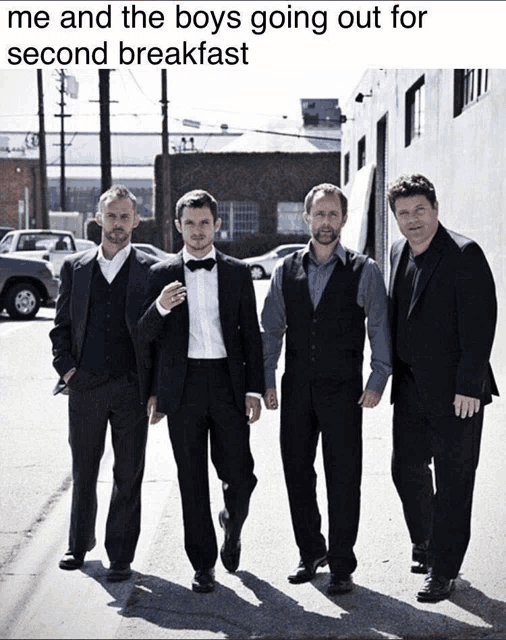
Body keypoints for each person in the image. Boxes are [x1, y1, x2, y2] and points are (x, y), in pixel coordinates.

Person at [261, 183, 391, 595]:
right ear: (307, 218)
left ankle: (341, 563)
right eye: (319, 215)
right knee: (297, 474)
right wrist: (266, 379)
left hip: (344, 391)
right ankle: (310, 550)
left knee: (343, 476)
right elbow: (272, 330)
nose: (326, 223)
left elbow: (379, 327)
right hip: (297, 388)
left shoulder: (363, 269)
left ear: (344, 220)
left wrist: (377, 378)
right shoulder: (286, 270)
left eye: (333, 215)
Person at [138, 189, 264, 594]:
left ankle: (232, 521)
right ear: (178, 226)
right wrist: (159, 307)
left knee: (241, 476)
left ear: (217, 225)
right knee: (191, 481)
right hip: (184, 388)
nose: (197, 231)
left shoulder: (237, 272)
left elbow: (251, 336)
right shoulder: (160, 274)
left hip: (228, 387)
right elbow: (144, 337)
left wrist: (254, 390)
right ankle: (203, 564)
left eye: (204, 222)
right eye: (189, 223)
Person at [387, 173, 498, 603]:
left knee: (454, 479)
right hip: (411, 388)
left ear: (435, 209)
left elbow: (481, 319)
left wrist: (470, 384)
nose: (412, 220)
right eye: (403, 213)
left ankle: (443, 569)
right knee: (405, 468)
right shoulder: (398, 251)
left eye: (419, 210)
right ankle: (428, 540)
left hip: (458, 394)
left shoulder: (463, 253)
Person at [50, 184, 159, 582]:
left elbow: (158, 335)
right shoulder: (75, 268)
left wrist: (155, 390)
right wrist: (68, 371)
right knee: (84, 470)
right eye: (111, 216)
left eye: (125, 217)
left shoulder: (149, 270)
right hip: (86, 387)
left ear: (136, 220)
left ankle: (120, 556)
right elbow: (61, 327)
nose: (117, 224)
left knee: (128, 473)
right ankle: (78, 545)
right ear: (98, 219)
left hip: (132, 388)